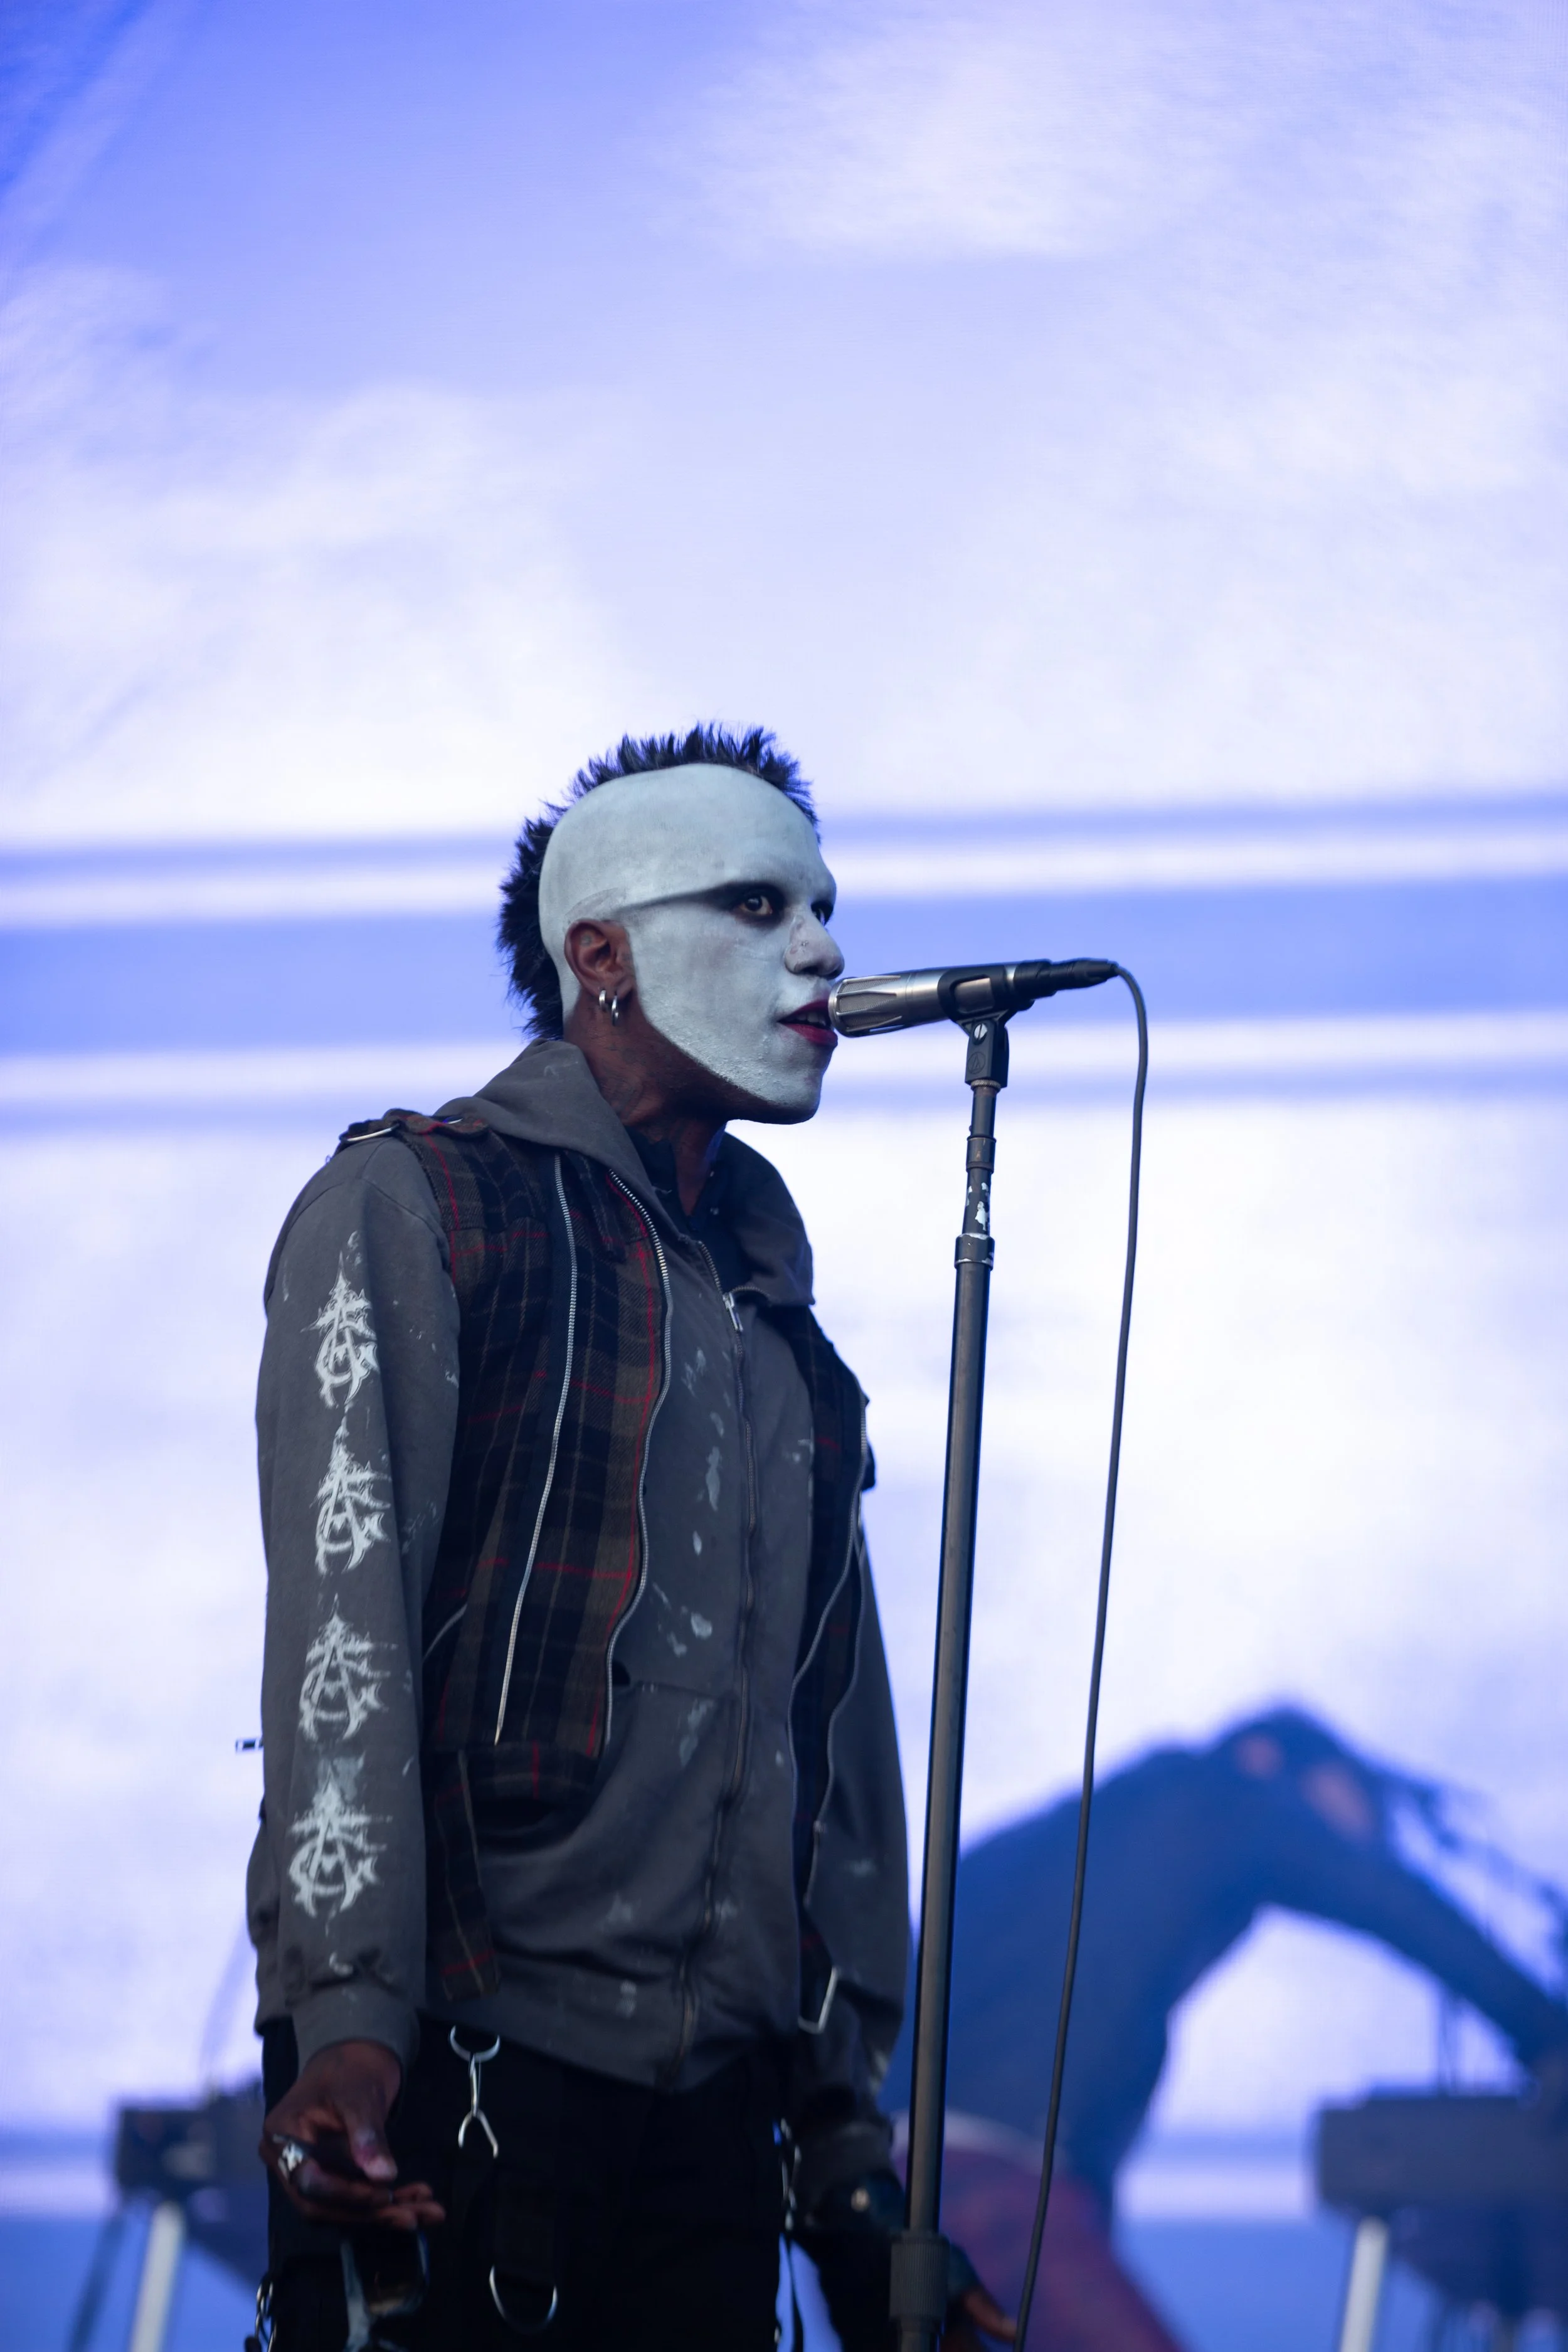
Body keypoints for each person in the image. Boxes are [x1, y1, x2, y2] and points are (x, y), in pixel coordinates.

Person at [248, 726, 1013, 2351]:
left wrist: (844, 2152)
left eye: (821, 905)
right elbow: (344, 1640)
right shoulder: (425, 1207)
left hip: (712, 2127)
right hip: (465, 2077)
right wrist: (346, 2017)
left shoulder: (781, 1333)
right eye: (755, 904)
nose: (820, 949)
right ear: (599, 954)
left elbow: (821, 1762)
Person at [879, 1707, 1568, 2351]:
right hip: (984, 2181)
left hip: (890, 2190)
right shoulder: (1219, 1797)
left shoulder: (1065, 1844)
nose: (1334, 1848)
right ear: (1265, 1759)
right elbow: (1379, 1895)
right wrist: (1544, 2031)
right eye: (1331, 1823)